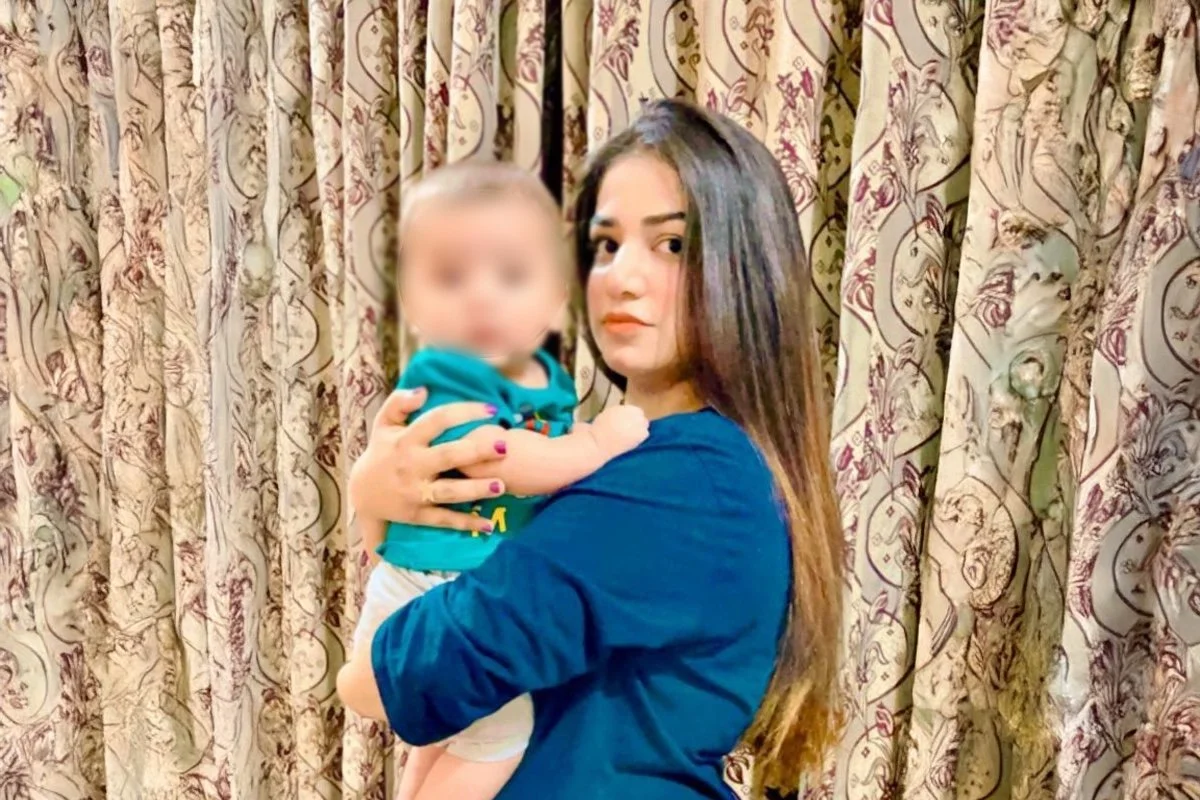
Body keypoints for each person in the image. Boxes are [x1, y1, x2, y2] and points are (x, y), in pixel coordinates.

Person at [337, 99, 844, 798]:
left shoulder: (685, 481)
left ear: (745, 268)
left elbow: (388, 680)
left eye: (672, 244)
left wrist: (365, 642)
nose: (621, 278)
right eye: (606, 245)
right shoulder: (640, 462)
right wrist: (374, 493)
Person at [337, 161, 650, 800]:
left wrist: (574, 443)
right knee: (500, 738)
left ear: (554, 299)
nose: (481, 296)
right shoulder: (449, 374)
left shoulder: (545, 380)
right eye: (451, 277)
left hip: (447, 586)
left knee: (448, 734)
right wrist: (596, 443)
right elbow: (500, 459)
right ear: (411, 303)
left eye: (510, 276)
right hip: (433, 584)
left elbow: (544, 450)